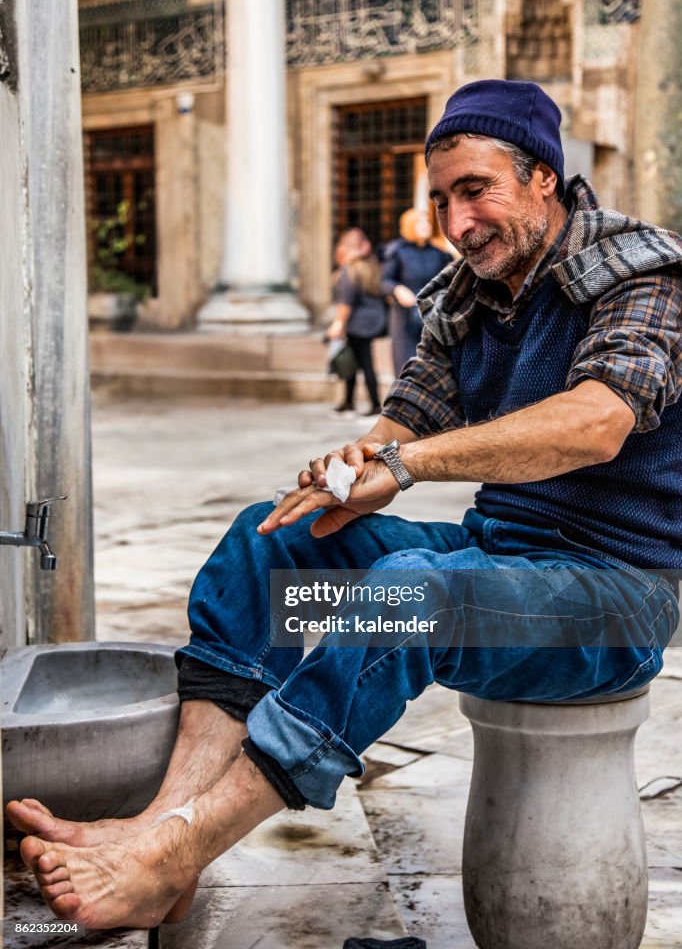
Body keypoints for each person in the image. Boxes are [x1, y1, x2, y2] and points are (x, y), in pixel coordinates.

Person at [7, 78, 682, 931]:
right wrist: (350, 472)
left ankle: (180, 848)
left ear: (542, 176)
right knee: (269, 540)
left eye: (477, 190)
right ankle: (160, 835)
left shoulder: (644, 272)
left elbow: (597, 422)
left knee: (405, 594)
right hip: (501, 560)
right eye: (441, 199)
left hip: (621, 595)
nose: (458, 222)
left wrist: (405, 464)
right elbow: (404, 421)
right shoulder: (465, 299)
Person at [381, 207, 452, 374]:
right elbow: (384, 281)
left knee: (433, 366)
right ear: (410, 225)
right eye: (420, 223)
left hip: (432, 314)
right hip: (404, 317)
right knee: (406, 365)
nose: (426, 226)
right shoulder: (397, 251)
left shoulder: (438, 253)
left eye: (427, 222)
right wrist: (397, 289)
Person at [328, 228, 386, 416]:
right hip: (373, 320)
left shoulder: (349, 271)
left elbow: (346, 302)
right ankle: (348, 402)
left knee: (364, 364)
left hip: (357, 324)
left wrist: (338, 323)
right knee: (355, 363)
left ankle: (374, 405)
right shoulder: (371, 267)